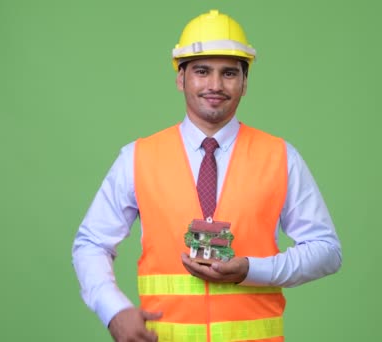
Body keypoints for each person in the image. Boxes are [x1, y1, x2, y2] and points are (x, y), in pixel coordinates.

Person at [72, 9, 342, 342]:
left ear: (245, 83)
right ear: (180, 78)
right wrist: (112, 310)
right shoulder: (137, 158)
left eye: (229, 73)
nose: (215, 85)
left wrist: (251, 269)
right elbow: (91, 243)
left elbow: (327, 251)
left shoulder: (280, 157)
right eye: (202, 71)